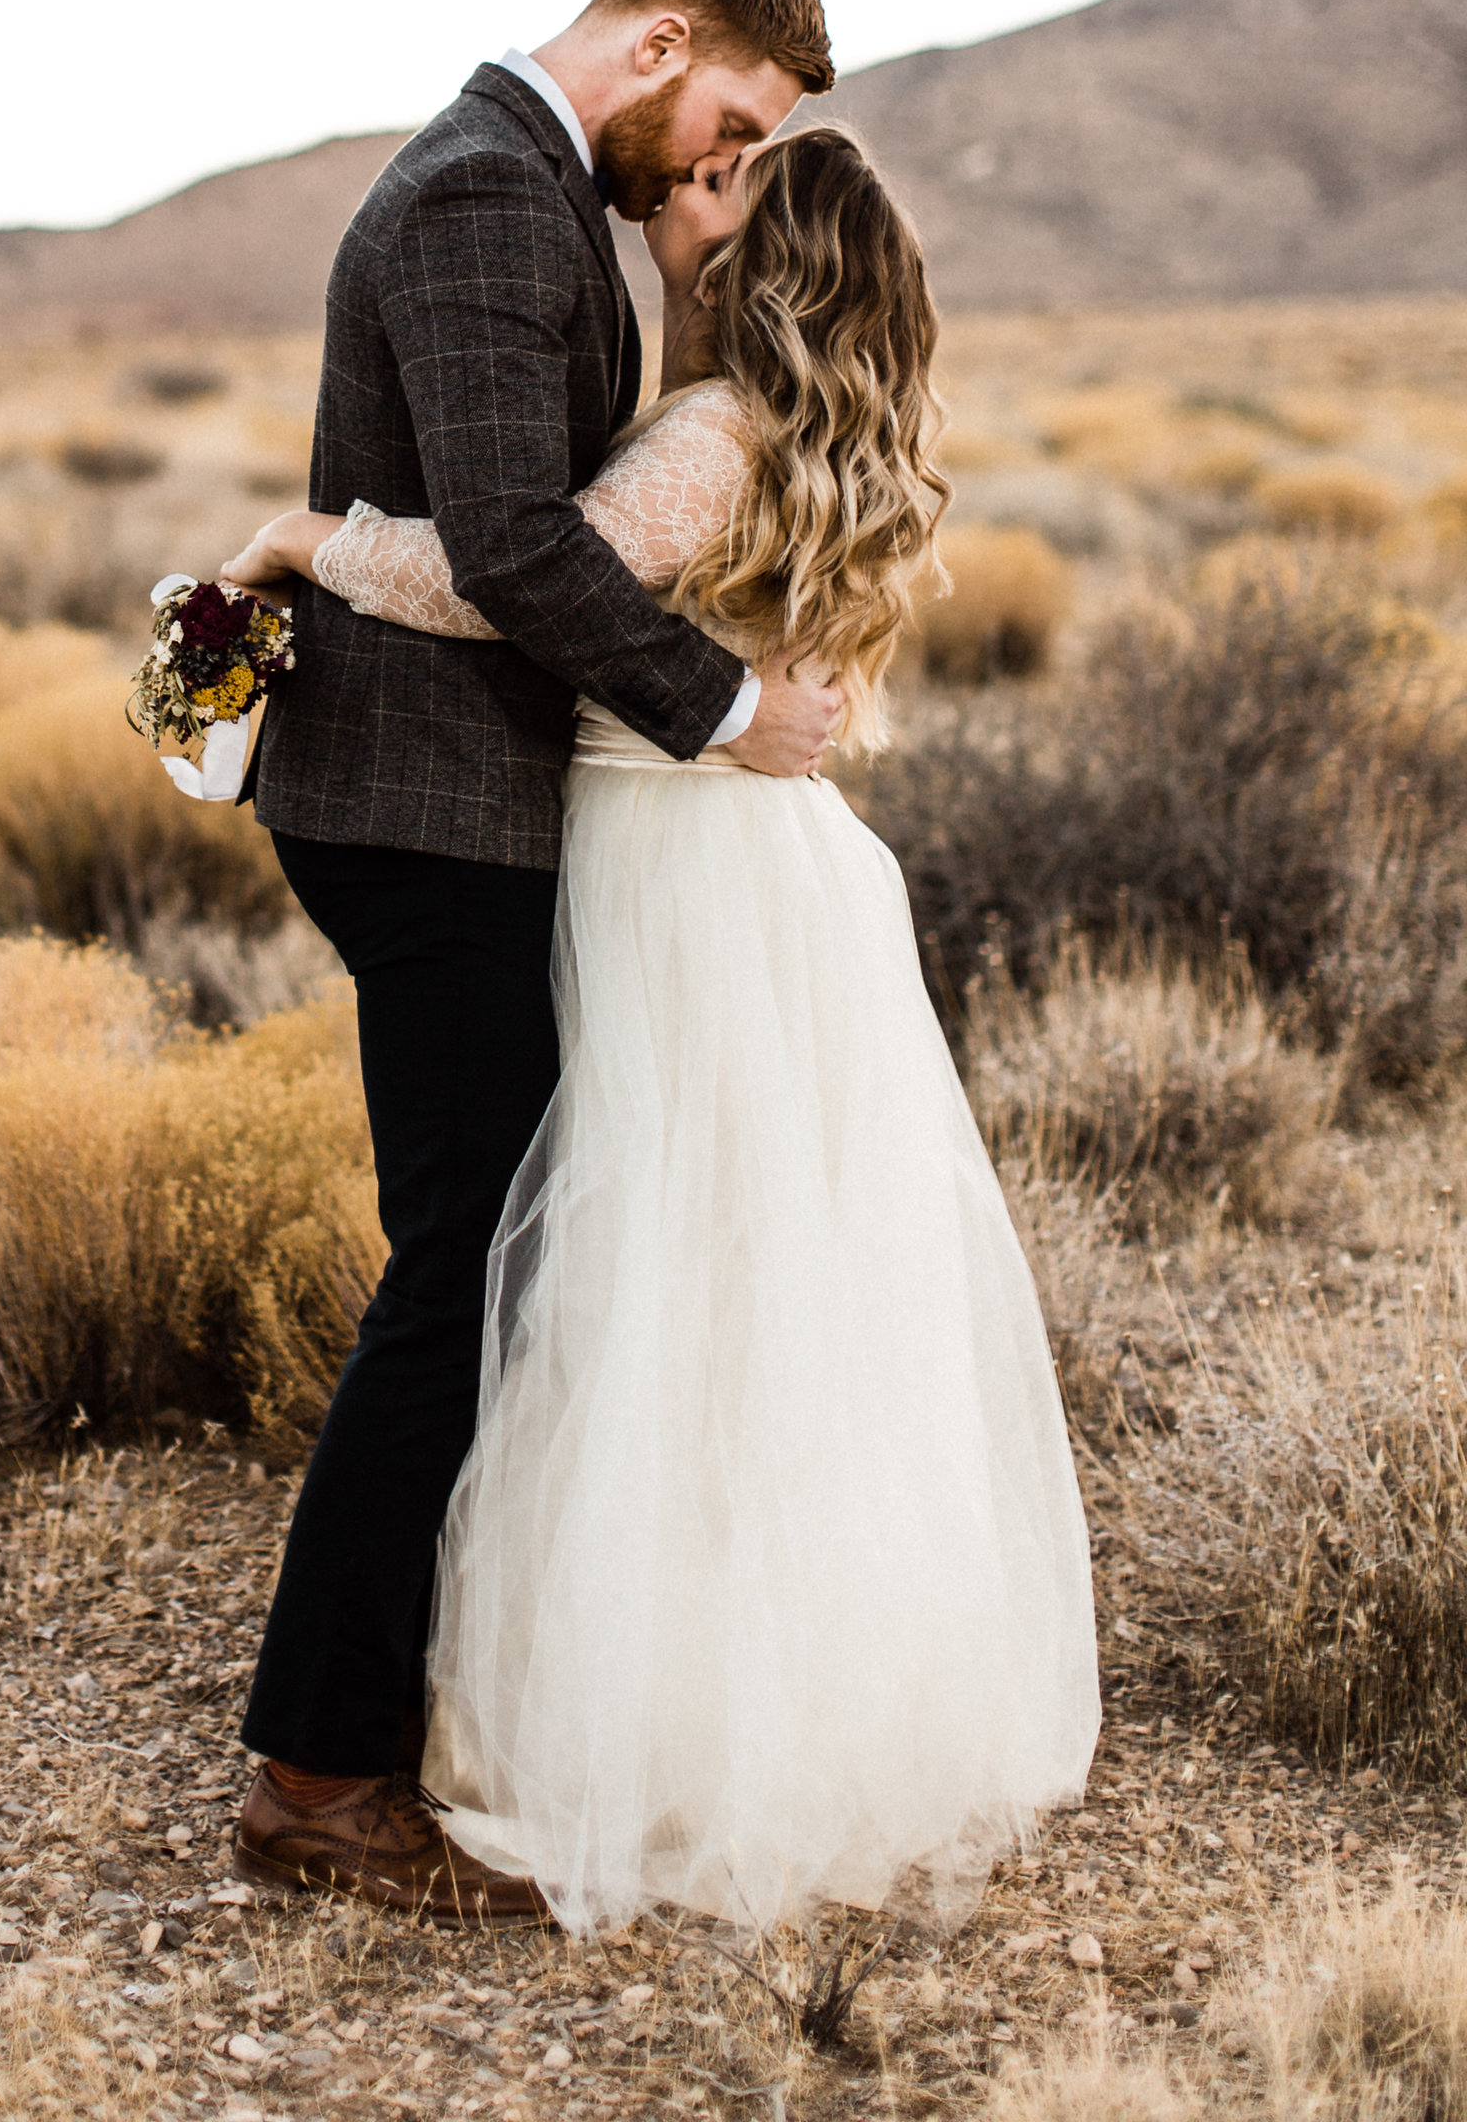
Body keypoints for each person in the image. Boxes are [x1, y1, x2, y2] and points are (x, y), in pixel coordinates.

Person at [231, 124, 1099, 1936]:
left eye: (723, 183)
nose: (681, 189)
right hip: (764, 865)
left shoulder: (712, 436)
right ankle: (733, 1693)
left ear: (757, 249)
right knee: (728, 1289)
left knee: (636, 1285)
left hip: (665, 867)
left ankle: (625, 1724)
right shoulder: (794, 432)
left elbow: (509, 584)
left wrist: (311, 535)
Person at [223, 0, 847, 1920]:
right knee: (460, 1277)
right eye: (729, 116)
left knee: (481, 1262)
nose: (721, 167)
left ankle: (382, 1719)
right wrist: (735, 711)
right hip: (422, 808)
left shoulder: (529, 193)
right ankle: (320, 1777)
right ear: (662, 39)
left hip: (447, 801)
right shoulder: (496, 197)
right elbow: (512, 546)